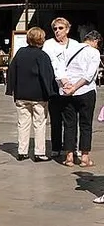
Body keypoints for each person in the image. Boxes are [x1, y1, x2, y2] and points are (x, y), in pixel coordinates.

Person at [6, 27, 57, 162]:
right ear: (41, 39)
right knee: (39, 123)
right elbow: (47, 75)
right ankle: (39, 152)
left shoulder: (20, 53)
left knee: (23, 123)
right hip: (39, 95)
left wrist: (11, 89)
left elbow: (12, 71)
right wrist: (51, 92)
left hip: (21, 94)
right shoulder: (42, 55)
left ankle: (22, 151)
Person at [43, 17, 82, 163]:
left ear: (67, 29)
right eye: (55, 29)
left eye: (60, 28)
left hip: (72, 86)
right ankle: (56, 146)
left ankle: (72, 147)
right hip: (55, 85)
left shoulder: (75, 44)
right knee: (56, 117)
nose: (57, 31)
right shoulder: (49, 44)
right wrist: (62, 80)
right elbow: (53, 62)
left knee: (71, 119)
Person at [61, 29, 101, 168]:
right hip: (86, 91)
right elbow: (89, 75)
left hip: (67, 92)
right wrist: (76, 87)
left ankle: (69, 157)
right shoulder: (94, 52)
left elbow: (60, 70)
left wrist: (68, 86)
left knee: (69, 124)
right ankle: (84, 158)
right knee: (86, 124)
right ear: (95, 41)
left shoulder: (69, 49)